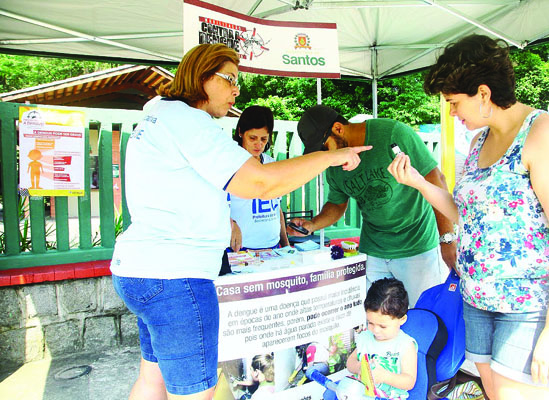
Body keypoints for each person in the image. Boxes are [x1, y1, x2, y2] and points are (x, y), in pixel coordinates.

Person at [110, 43, 370, 400]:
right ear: (201, 77)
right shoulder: (189, 122)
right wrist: (330, 157)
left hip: (140, 270)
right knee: (193, 393)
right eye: (230, 78)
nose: (237, 89)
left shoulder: (160, 114)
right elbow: (263, 183)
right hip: (177, 277)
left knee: (152, 379)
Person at [387, 34, 549, 399]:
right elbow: (467, 214)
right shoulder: (480, 140)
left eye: (454, 102)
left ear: (483, 94)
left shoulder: (543, 134)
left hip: (529, 306)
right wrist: (418, 183)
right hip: (478, 301)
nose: (451, 112)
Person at [289, 105, 456, 306]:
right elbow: (336, 204)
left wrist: (447, 240)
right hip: (374, 249)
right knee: (377, 321)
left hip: (415, 246)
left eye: (324, 148)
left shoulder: (392, 134)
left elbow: (436, 179)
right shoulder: (334, 164)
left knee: (420, 316)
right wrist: (312, 225)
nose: (325, 156)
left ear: (338, 129)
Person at [228, 105, 289, 252]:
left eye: (264, 139)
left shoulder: (271, 163)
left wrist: (286, 245)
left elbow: (277, 207)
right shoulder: (229, 164)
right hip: (240, 250)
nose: (259, 144)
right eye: (253, 138)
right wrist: (230, 223)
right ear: (240, 132)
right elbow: (212, 206)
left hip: (273, 247)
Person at [345, 278, 418, 400]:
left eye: (383, 326)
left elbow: (409, 381)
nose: (375, 330)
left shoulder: (405, 345)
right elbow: (350, 362)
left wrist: (385, 376)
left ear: (402, 320)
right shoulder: (365, 338)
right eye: (371, 323)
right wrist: (359, 368)